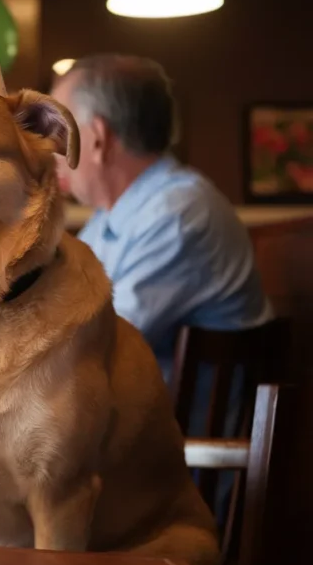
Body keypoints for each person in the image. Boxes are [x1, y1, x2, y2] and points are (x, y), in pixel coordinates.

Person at [50, 54, 273, 435]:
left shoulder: (179, 212)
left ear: (98, 139)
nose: (51, 149)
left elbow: (89, 342)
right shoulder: (111, 217)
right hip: (121, 449)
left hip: (178, 472)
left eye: (60, 130)